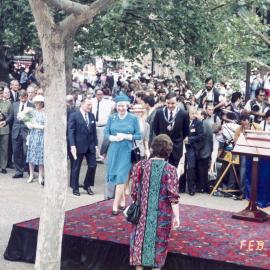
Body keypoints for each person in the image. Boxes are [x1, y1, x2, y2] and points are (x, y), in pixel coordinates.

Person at [129, 134, 180, 270]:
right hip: (162, 216)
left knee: (138, 246)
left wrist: (140, 201)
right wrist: (177, 217)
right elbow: (173, 197)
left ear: (152, 148)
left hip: (142, 213)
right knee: (159, 246)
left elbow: (133, 191)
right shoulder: (171, 170)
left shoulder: (140, 166)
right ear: (168, 152)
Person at [104, 93, 141, 214]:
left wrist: (126, 136)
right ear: (116, 106)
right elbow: (106, 134)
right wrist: (113, 138)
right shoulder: (112, 118)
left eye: (123, 106)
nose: (121, 108)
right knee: (114, 175)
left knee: (121, 176)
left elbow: (139, 135)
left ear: (127, 106)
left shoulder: (133, 118)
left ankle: (115, 205)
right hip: (114, 149)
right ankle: (122, 199)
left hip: (126, 150)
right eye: (119, 106)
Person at [68, 98, 98, 196]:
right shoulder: (74, 115)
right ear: (82, 104)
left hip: (90, 146)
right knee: (76, 167)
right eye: (88, 105)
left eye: (91, 105)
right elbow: (71, 131)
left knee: (93, 165)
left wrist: (96, 145)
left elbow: (94, 132)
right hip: (78, 145)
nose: (90, 107)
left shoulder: (91, 115)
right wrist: (72, 145)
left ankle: (87, 185)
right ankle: (75, 187)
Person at [153, 92, 189, 168]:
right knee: (160, 169)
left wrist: (178, 140)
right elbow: (155, 129)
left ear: (177, 102)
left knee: (173, 170)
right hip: (161, 147)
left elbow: (186, 131)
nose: (170, 106)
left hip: (176, 147)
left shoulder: (184, 114)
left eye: (173, 103)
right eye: (168, 103)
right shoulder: (159, 112)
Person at [4, 90, 34, 178]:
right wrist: (5, 122)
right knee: (16, 152)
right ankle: (18, 172)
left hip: (26, 131)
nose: (23, 99)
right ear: (19, 97)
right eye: (21, 97)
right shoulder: (15, 105)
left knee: (26, 152)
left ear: (27, 96)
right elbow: (11, 117)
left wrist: (26, 118)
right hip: (16, 131)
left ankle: (29, 171)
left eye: (24, 97)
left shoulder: (31, 106)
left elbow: (32, 119)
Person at [91, 88, 115, 161]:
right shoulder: (91, 101)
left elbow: (115, 105)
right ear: (95, 95)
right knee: (93, 142)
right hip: (93, 125)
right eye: (98, 94)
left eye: (101, 94)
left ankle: (99, 156)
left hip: (103, 125)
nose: (100, 96)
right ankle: (93, 156)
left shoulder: (108, 103)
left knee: (101, 142)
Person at [26, 95, 45, 184]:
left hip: (42, 136)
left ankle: (40, 175)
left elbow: (46, 125)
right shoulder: (32, 112)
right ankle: (31, 175)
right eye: (36, 102)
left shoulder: (45, 112)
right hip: (33, 135)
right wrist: (28, 124)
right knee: (31, 155)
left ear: (42, 103)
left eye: (39, 102)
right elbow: (27, 121)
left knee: (41, 156)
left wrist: (40, 126)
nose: (37, 104)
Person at [0, 87, 12, 174]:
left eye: (2, 93)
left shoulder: (9, 104)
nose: (1, 95)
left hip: (5, 128)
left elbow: (11, 116)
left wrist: (5, 121)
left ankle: (3, 166)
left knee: (4, 149)